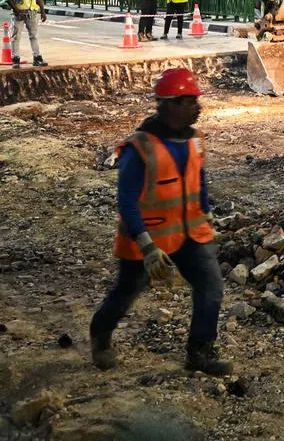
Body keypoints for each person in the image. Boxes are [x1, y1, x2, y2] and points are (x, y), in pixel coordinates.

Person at [89, 68, 230, 376]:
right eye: (190, 101)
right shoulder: (139, 147)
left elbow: (199, 179)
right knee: (128, 290)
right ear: (171, 104)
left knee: (211, 287)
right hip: (148, 240)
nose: (197, 107)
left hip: (190, 232)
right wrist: (146, 246)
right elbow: (126, 199)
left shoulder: (195, 140)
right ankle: (100, 333)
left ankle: (200, 352)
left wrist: (206, 213)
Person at [4, 0, 48, 69]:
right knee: (15, 37)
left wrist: (43, 12)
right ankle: (15, 59)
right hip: (18, 15)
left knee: (34, 36)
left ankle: (37, 58)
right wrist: (17, 12)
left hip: (32, 14)